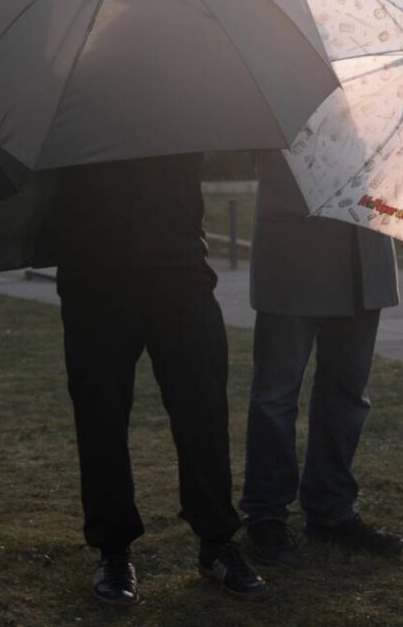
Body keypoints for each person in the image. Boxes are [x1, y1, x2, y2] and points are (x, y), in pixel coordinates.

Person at [51, 153, 266, 604]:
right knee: (101, 416)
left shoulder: (183, 87)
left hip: (180, 267)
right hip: (94, 273)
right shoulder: (69, 91)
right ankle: (113, 549)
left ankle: (216, 542)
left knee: (203, 409)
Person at [240, 151, 403, 567]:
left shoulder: (390, 89)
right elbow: (247, 143)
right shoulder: (276, 85)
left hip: (364, 248)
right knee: (276, 396)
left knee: (347, 393)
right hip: (294, 244)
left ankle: (331, 510)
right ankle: (266, 516)